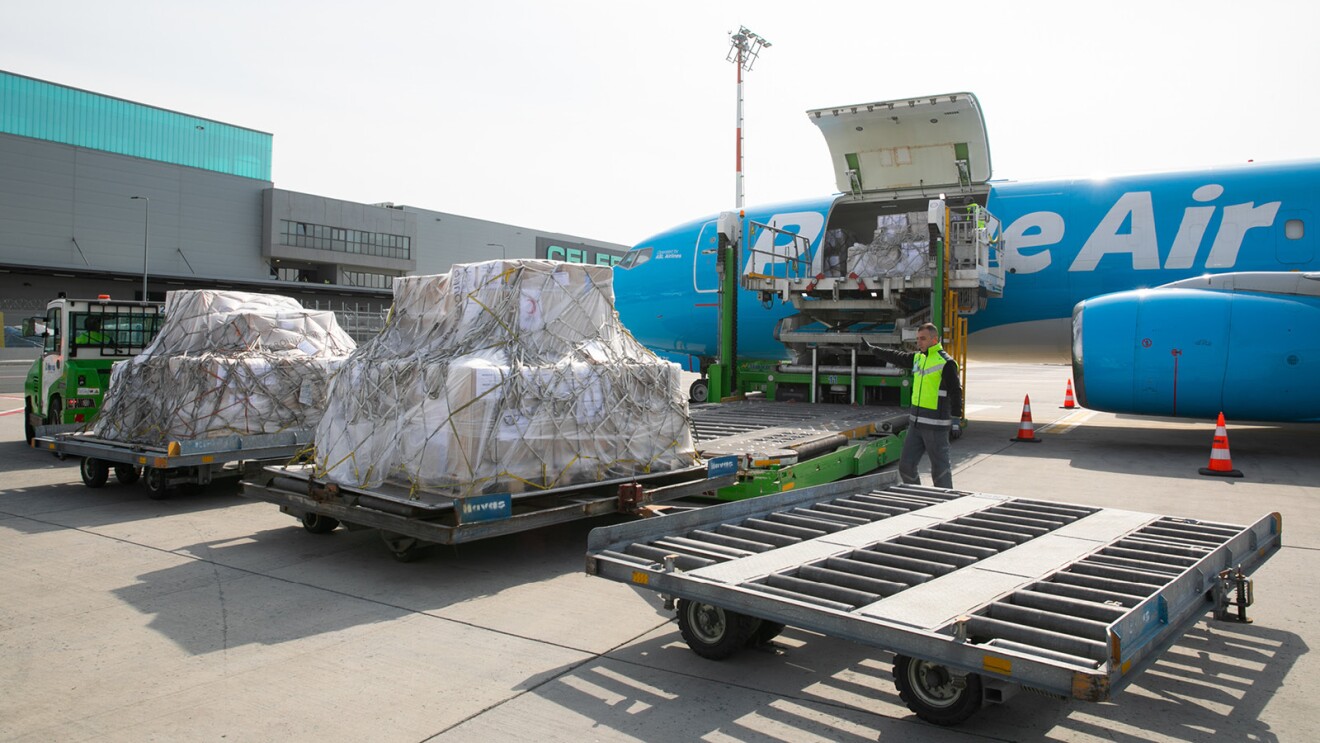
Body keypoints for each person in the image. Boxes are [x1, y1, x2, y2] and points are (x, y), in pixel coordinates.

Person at [870, 322, 963, 489]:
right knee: (905, 466)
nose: (919, 342)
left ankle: (945, 504)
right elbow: (897, 356)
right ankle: (918, 495)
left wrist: (956, 420)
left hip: (936, 426)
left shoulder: (946, 363)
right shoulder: (918, 358)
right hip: (916, 425)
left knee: (940, 470)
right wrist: (874, 349)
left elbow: (956, 392)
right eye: (917, 339)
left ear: (934, 340)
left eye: (923, 339)